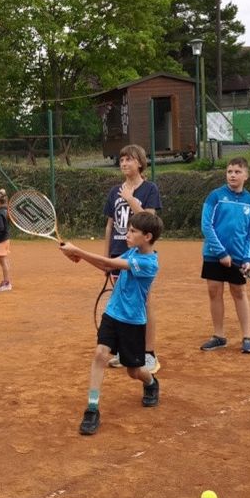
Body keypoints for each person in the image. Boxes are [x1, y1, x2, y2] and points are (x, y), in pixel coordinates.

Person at [60, 211, 164, 437]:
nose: (127, 234)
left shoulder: (148, 262)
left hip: (133, 321)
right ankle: (92, 408)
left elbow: (108, 261)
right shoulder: (134, 250)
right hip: (112, 313)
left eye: (132, 231)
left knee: (133, 371)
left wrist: (78, 251)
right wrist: (82, 257)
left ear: (147, 236)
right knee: (100, 354)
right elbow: (109, 267)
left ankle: (151, 381)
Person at [104, 144, 161, 372]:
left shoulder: (149, 189)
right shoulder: (113, 191)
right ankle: (123, 351)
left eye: (129, 159)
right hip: (118, 251)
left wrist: (130, 198)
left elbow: (151, 222)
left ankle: (148, 353)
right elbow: (109, 225)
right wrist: (106, 256)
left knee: (144, 303)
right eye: (121, 160)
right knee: (120, 302)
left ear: (140, 163)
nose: (124, 163)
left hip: (139, 254)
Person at [199, 157, 250, 354]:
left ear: (246, 175)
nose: (232, 175)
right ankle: (219, 336)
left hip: (238, 258)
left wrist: (248, 258)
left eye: (237, 171)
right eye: (229, 171)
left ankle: (247, 337)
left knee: (239, 293)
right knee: (214, 292)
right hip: (213, 256)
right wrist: (221, 253)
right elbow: (206, 225)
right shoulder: (215, 196)